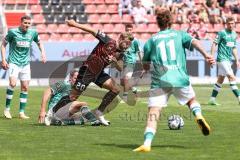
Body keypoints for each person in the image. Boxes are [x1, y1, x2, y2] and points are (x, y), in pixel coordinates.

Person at [133, 8, 215, 152]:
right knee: (191, 101)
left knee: (154, 112)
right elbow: (194, 41)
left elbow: (145, 64)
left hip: (160, 81)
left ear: (158, 23)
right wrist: (206, 55)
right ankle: (198, 115)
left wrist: (145, 69)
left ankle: (147, 143)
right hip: (179, 77)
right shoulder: (180, 35)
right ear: (170, 21)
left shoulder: (151, 41)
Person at [55, 19, 133, 126]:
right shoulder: (108, 40)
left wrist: (115, 62)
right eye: (127, 42)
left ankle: (99, 112)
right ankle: (52, 113)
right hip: (88, 70)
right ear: (120, 38)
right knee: (73, 97)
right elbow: (92, 30)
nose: (128, 45)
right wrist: (74, 24)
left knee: (116, 89)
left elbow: (120, 68)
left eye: (129, 44)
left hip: (99, 73)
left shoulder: (121, 53)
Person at [1, 15, 46, 119]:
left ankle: (21, 112)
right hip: (13, 62)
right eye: (25, 23)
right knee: (12, 83)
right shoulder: (13, 32)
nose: (27, 25)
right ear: (21, 23)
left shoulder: (33, 33)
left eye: (28, 23)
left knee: (25, 87)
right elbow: (3, 44)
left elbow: (39, 42)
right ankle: (7, 109)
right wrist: (3, 59)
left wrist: (43, 53)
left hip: (25, 63)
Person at [208, 17, 240, 105]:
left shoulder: (234, 34)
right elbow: (214, 44)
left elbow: (233, 48)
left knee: (220, 79)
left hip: (228, 60)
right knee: (231, 77)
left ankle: (212, 99)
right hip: (221, 59)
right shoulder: (222, 33)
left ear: (234, 24)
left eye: (232, 23)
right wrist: (211, 56)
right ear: (226, 24)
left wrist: (237, 60)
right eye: (229, 23)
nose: (230, 25)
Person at [120, 24, 142, 104]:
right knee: (123, 82)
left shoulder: (135, 40)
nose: (129, 31)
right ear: (125, 30)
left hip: (131, 61)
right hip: (124, 62)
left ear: (132, 30)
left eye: (130, 30)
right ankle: (135, 90)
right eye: (127, 29)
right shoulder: (122, 39)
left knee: (126, 79)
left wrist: (142, 63)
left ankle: (125, 97)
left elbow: (139, 52)